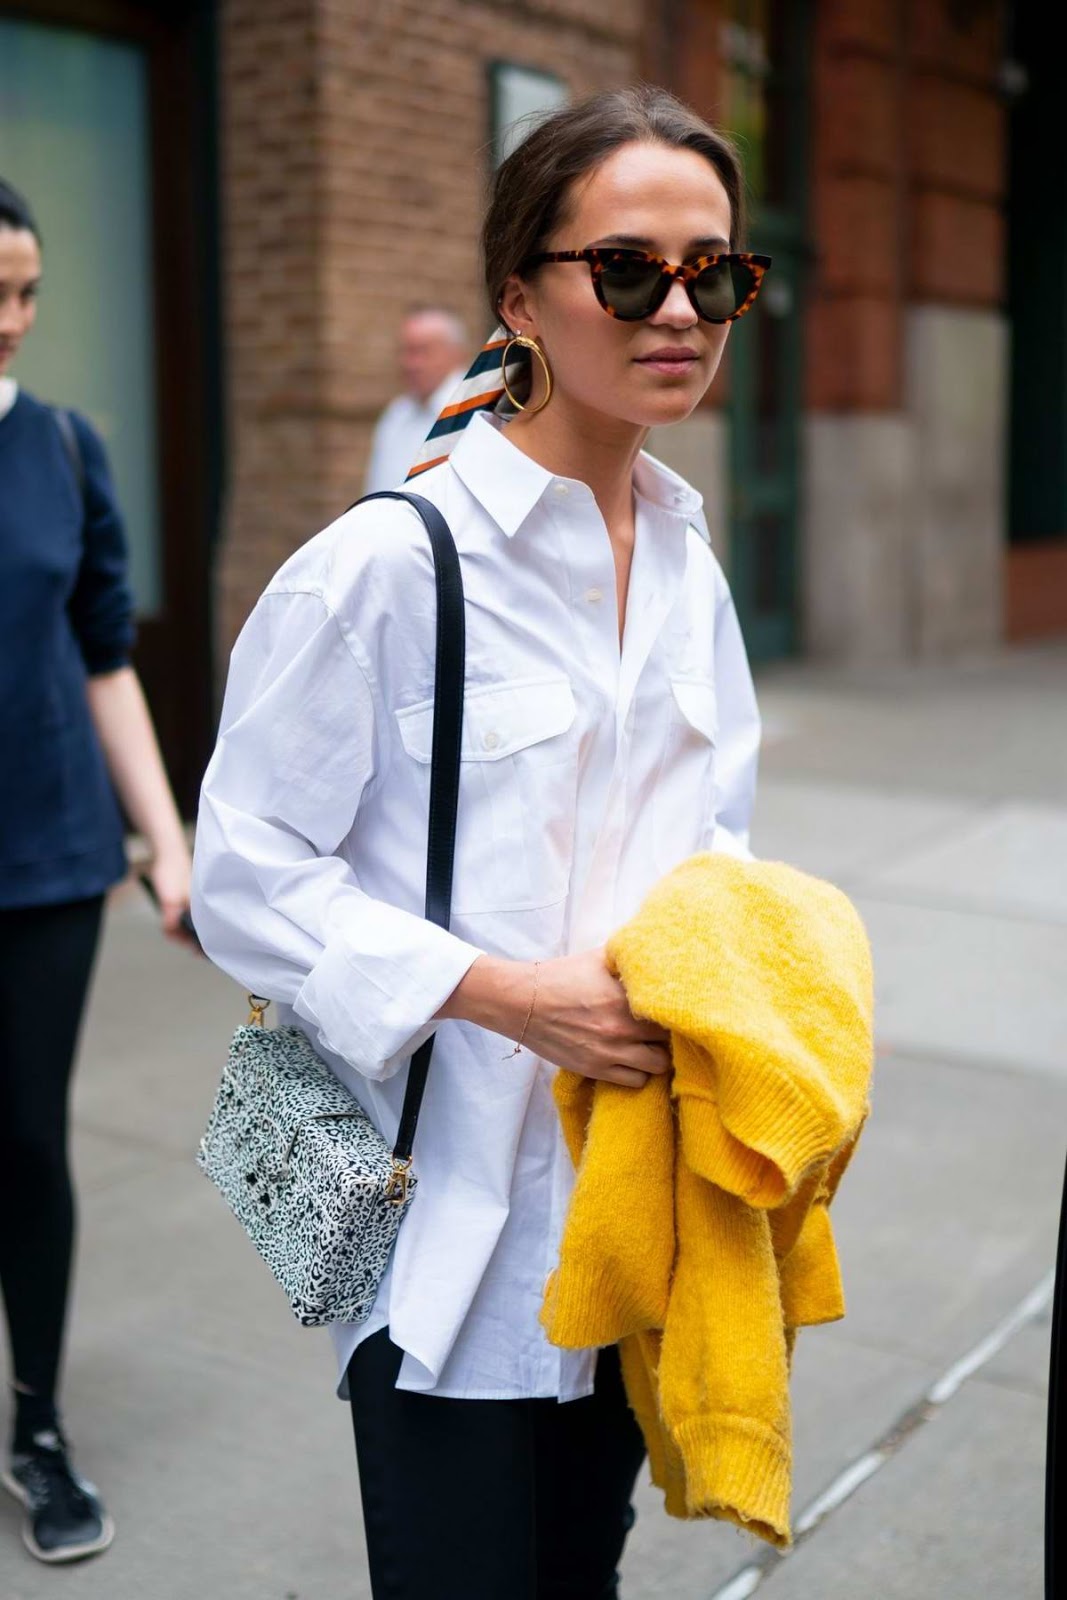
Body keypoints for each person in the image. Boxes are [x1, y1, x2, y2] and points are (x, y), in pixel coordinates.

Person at [192, 84, 765, 1599]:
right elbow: (244, 876)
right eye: (627, 270)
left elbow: (716, 832)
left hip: (629, 1214)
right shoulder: (384, 567)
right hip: (435, 1237)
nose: (678, 309)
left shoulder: (693, 559)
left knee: (584, 1570)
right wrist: (497, 992)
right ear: (518, 296)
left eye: (713, 271)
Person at [0, 178, 194, 1564]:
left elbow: (105, 657)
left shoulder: (61, 449)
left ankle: (37, 1426)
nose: (11, 322)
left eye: (26, 295)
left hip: (50, 860)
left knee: (26, 1145)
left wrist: (167, 839)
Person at [363, 306, 467, 491]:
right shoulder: (396, 413)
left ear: (455, 354)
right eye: (405, 352)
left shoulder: (474, 411)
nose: (410, 363)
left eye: (422, 351)